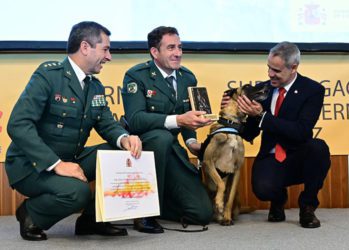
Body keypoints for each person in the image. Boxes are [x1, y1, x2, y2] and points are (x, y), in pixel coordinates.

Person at [5, 21, 142, 241]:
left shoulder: (95, 86)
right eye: (105, 49)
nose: (109, 57)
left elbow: (106, 122)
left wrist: (124, 138)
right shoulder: (49, 75)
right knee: (78, 193)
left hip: (69, 159)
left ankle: (91, 221)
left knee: (122, 154)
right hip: (30, 165)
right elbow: (18, 125)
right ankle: (31, 213)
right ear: (85, 47)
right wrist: (57, 165)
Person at [121, 26, 213, 233]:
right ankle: (144, 212)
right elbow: (135, 120)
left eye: (180, 47)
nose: (178, 53)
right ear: (155, 52)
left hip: (171, 149)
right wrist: (178, 120)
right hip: (144, 148)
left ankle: (158, 204)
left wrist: (191, 142)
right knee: (161, 137)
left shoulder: (187, 78)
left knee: (202, 214)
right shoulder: (137, 76)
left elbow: (189, 117)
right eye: (171, 48)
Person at [231, 41, 330, 228]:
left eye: (276, 70)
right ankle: (278, 199)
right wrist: (235, 118)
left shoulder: (313, 90)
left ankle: (307, 206)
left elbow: (301, 131)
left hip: (298, 155)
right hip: (271, 156)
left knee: (319, 148)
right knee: (262, 189)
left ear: (293, 67)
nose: (270, 74)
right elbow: (251, 133)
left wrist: (262, 116)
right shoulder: (262, 89)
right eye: (268, 68)